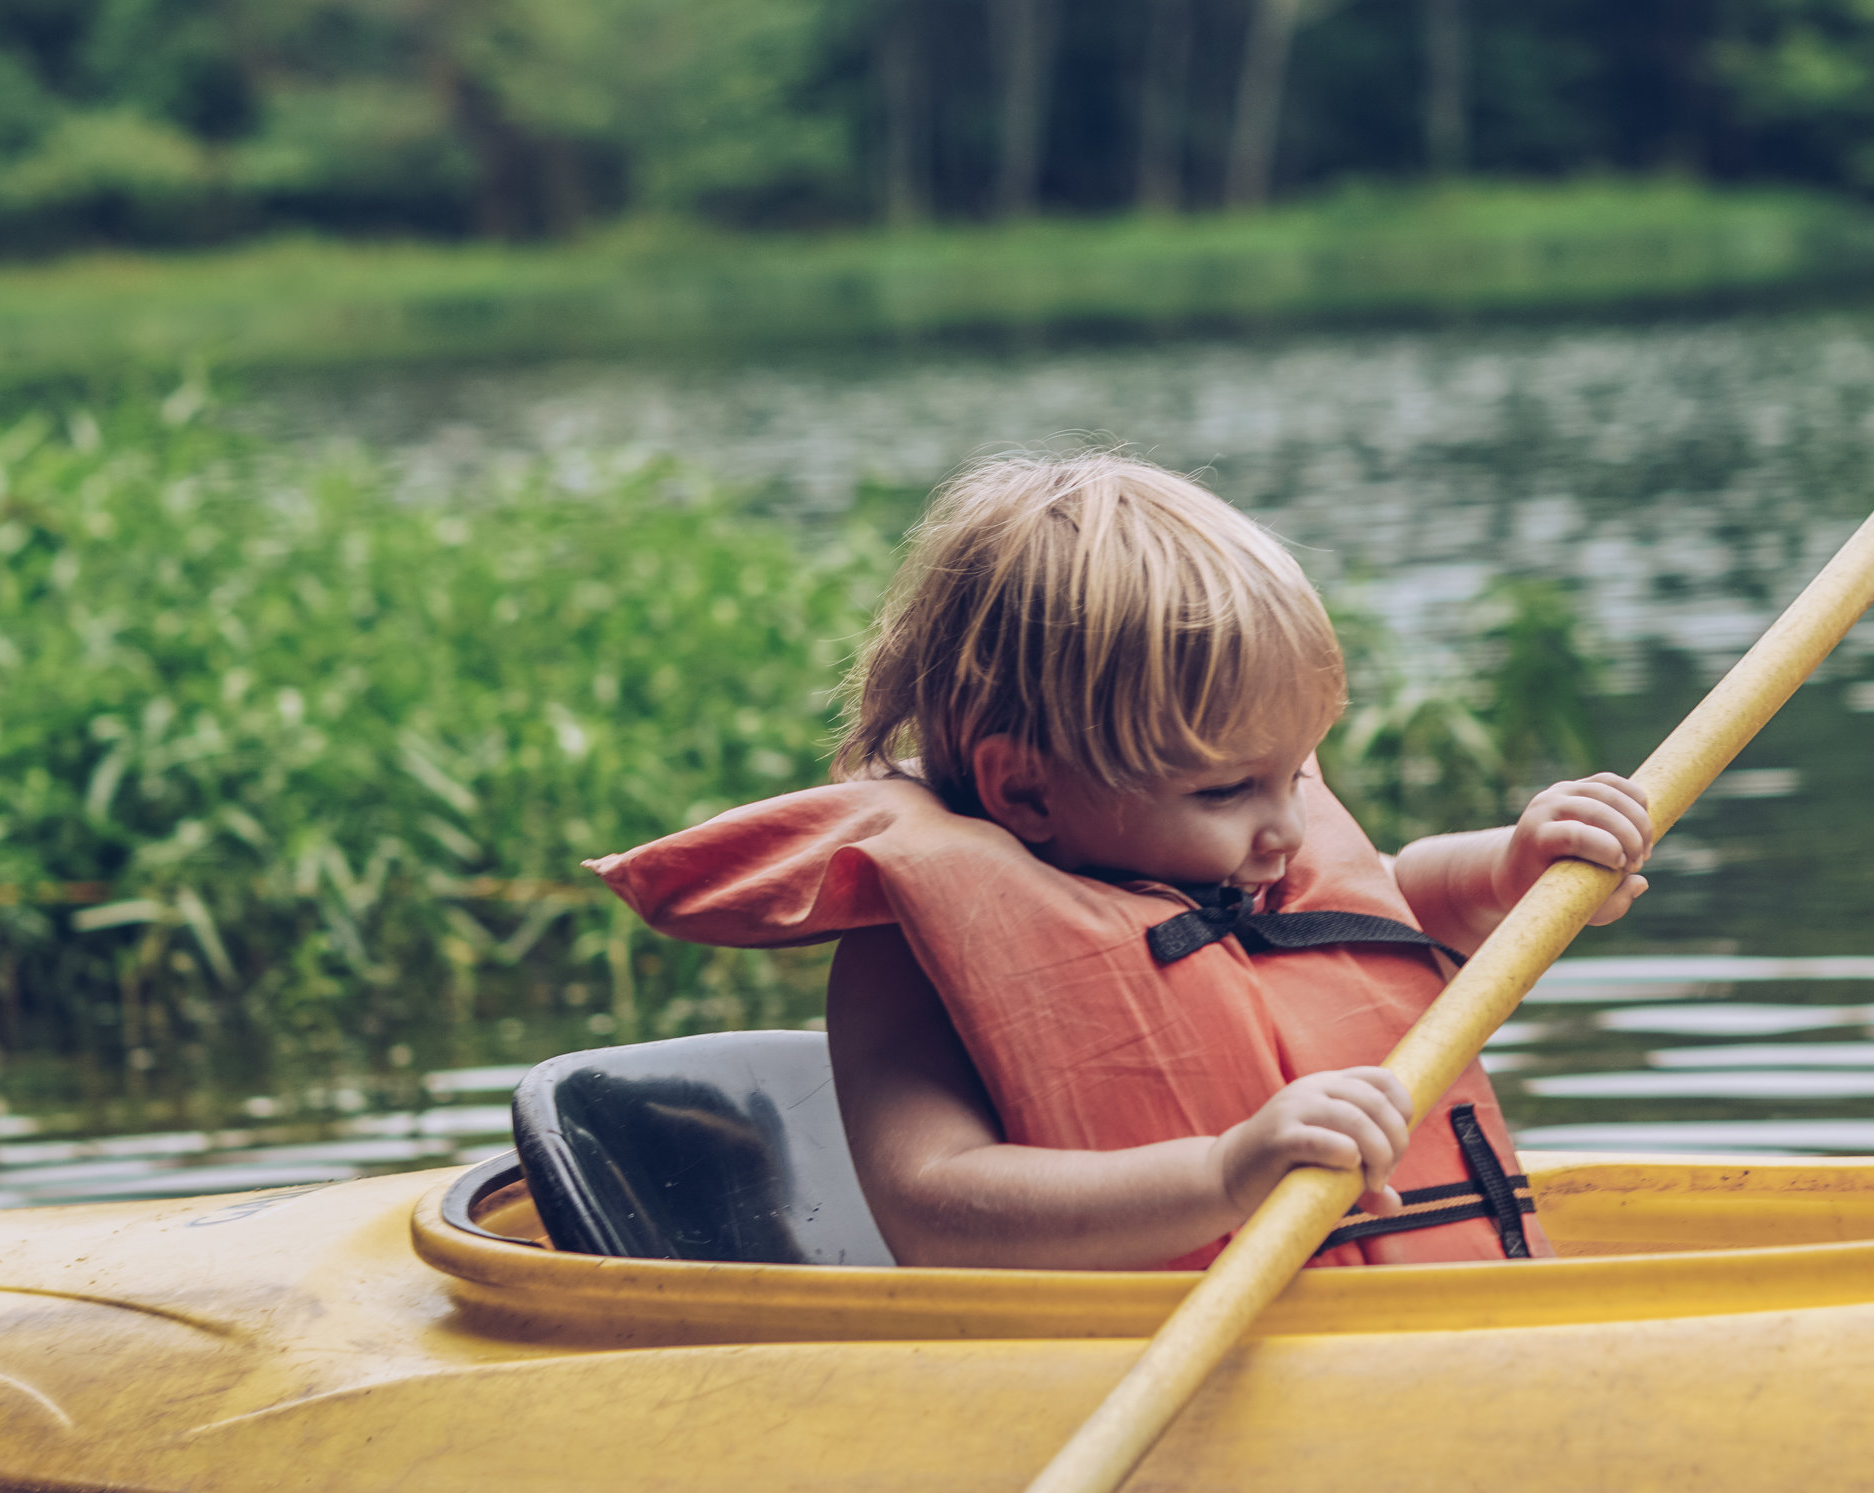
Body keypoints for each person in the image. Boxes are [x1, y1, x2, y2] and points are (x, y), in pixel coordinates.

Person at [589, 454, 1653, 1271]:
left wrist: (1512, 872)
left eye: (1295, 775)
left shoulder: (1246, 857)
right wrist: (1224, 1170)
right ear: (1025, 791)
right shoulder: (916, 955)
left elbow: (1392, 900)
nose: (1284, 829)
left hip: (1419, 1330)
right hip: (1121, 1364)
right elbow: (934, 1202)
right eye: (1225, 790)